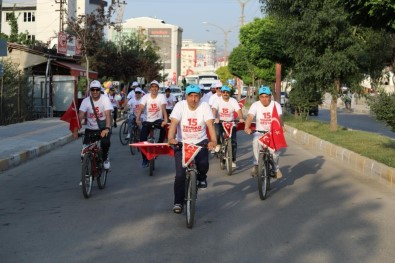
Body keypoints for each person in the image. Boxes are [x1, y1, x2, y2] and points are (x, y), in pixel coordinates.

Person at [168, 84, 217, 213]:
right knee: (180, 175)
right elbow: (173, 124)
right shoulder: (180, 106)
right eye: (191, 96)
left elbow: (210, 125)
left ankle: (201, 177)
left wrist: (213, 141)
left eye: (196, 96)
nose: (194, 99)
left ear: (200, 97)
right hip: (182, 144)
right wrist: (171, 138)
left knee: (203, 164)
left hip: (200, 142)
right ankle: (178, 202)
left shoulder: (204, 106)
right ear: (186, 96)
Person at [244, 86, 284, 178]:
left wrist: (281, 127)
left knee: (274, 153)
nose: (264, 99)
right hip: (259, 132)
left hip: (273, 132)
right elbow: (250, 117)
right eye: (262, 97)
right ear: (259, 97)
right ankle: (256, 165)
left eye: (267, 96)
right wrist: (247, 127)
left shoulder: (275, 105)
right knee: (255, 142)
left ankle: (276, 169)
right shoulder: (255, 105)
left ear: (270, 96)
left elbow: (280, 117)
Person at [76, 80, 113, 170]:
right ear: (90, 91)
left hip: (103, 128)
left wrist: (107, 128)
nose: (95, 92)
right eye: (93, 90)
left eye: (97, 90)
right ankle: (86, 176)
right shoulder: (85, 101)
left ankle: (105, 158)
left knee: (105, 143)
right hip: (90, 129)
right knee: (83, 153)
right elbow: (80, 115)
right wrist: (75, 129)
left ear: (100, 90)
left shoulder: (105, 99)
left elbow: (108, 115)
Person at [136, 80, 168, 167]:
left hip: (158, 120)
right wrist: (137, 118)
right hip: (147, 120)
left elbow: (163, 109)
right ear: (150, 88)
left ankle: (158, 146)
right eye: (152, 87)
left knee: (164, 131)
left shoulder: (161, 96)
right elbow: (141, 108)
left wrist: (165, 120)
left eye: (156, 87)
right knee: (142, 139)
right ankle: (144, 159)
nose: (154, 89)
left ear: (158, 88)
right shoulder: (145, 97)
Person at [211, 85, 244, 168]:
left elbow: (238, 111)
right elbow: (214, 110)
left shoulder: (233, 101)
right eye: (224, 92)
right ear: (221, 93)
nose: (225, 93)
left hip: (231, 123)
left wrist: (240, 118)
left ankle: (233, 160)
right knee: (217, 133)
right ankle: (218, 144)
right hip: (220, 122)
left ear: (230, 93)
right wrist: (214, 117)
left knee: (233, 142)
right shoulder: (217, 101)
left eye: (227, 92)